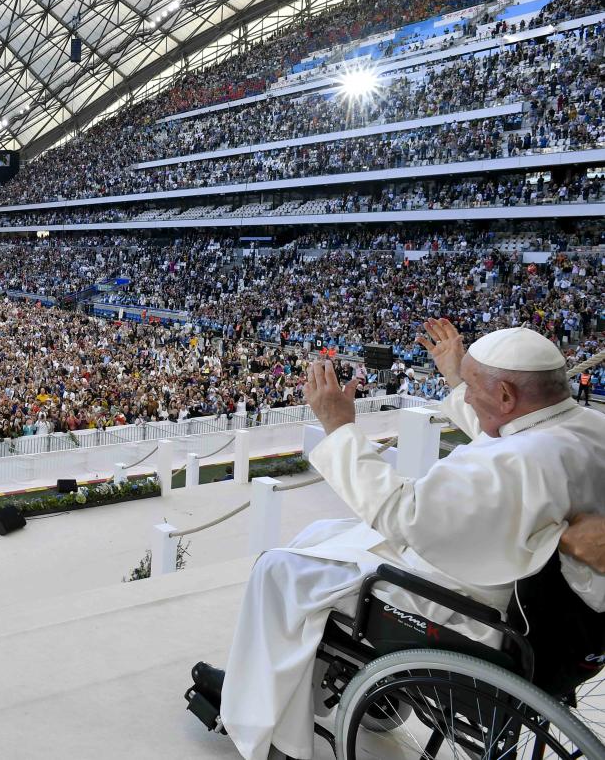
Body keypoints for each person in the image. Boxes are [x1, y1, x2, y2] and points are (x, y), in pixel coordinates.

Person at [202, 320, 605, 760]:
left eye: (471, 387)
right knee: (321, 537)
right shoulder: (583, 427)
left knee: (278, 568)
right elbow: (508, 432)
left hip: (477, 607)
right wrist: (456, 374)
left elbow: (401, 513)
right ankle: (284, 689)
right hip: (546, 613)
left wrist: (339, 428)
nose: (465, 398)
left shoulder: (517, 461)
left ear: (506, 395)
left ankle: (263, 722)